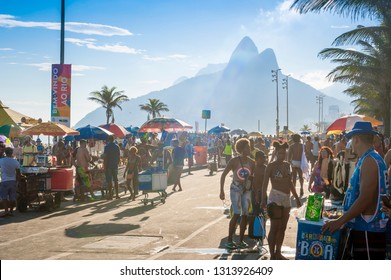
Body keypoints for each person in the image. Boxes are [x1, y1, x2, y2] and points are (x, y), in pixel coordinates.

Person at [322, 122, 388, 260]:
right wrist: (342, 216)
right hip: (365, 228)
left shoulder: (370, 160)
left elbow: (365, 199)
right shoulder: (369, 158)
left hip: (368, 229)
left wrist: (340, 221)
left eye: (351, 140)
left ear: (356, 139)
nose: (351, 145)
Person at [261, 140, 302, 260]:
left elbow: (290, 182)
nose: (281, 156)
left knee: (283, 227)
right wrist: (263, 199)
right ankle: (272, 254)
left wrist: (297, 198)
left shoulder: (287, 165)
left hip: (286, 198)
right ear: (276, 153)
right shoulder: (270, 166)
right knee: (274, 227)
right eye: (279, 153)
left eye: (283, 153)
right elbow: (264, 184)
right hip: (275, 197)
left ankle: (278, 252)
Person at [220, 138, 255, 249]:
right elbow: (223, 175)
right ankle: (230, 240)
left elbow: (253, 177)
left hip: (247, 190)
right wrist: (221, 190)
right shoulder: (234, 161)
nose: (249, 149)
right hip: (235, 189)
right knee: (236, 213)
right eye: (247, 147)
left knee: (245, 214)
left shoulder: (251, 162)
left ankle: (240, 241)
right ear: (241, 148)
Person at [0, 147, 20, 217]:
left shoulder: (1, 160)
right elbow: (18, 173)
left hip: (4, 181)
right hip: (13, 181)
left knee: (4, 197)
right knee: (12, 197)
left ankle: (6, 211)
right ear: (12, 153)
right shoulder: (15, 162)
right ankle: (11, 210)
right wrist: (17, 182)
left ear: (5, 152)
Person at [103, 135, 121, 199]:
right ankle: (117, 195)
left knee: (109, 181)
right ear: (113, 139)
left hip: (108, 165)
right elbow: (119, 157)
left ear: (108, 139)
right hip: (115, 165)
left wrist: (104, 166)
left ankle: (110, 195)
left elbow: (105, 157)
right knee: (116, 180)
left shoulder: (106, 147)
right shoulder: (117, 146)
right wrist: (117, 163)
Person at [253, 150, 267, 216]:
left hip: (263, 193)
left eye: (264, 158)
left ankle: (262, 225)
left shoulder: (266, 168)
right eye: (261, 158)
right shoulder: (253, 168)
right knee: (255, 213)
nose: (264, 160)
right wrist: (256, 194)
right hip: (254, 193)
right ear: (256, 159)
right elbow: (254, 182)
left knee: (263, 213)